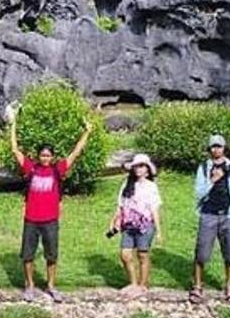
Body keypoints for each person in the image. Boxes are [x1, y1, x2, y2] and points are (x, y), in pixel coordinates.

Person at [10, 107, 94, 303]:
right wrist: (13, 122)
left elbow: (76, 152)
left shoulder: (57, 170)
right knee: (28, 255)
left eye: (48, 155)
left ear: (52, 157)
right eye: (43, 155)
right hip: (31, 220)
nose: (45, 158)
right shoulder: (31, 168)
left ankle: (51, 286)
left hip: (50, 220)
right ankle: (29, 286)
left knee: (51, 255)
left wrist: (87, 132)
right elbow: (15, 150)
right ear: (38, 156)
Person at [191, 134, 230, 304]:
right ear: (209, 149)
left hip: (228, 214)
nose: (217, 149)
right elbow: (199, 193)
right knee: (201, 252)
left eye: (220, 146)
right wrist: (213, 181)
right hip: (208, 214)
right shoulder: (203, 168)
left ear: (224, 148)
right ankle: (197, 286)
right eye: (213, 147)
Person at [107, 153, 163, 297]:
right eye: (137, 166)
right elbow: (121, 205)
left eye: (142, 166)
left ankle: (142, 285)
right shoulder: (127, 185)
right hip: (128, 224)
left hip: (145, 225)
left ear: (147, 169)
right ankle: (133, 282)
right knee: (125, 254)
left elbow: (154, 208)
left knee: (142, 254)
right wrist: (113, 221)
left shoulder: (151, 187)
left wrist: (159, 231)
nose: (139, 169)